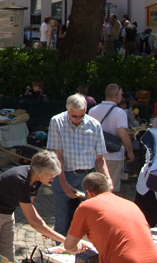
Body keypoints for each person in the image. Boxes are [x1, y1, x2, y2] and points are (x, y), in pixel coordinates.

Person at [0, 150, 67, 260]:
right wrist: (65, 240)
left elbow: (30, 205)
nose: (52, 179)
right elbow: (33, 222)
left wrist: (44, 227)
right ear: (40, 171)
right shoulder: (20, 179)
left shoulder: (36, 180)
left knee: (7, 256)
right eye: (49, 175)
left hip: (7, 213)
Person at [47, 93, 111, 235]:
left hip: (87, 176)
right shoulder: (57, 121)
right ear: (67, 110)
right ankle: (60, 250)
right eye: (74, 116)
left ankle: (85, 252)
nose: (78, 119)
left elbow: (99, 159)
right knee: (62, 219)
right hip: (64, 173)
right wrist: (63, 183)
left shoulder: (94, 125)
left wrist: (107, 180)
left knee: (88, 218)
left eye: (81, 116)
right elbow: (58, 156)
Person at [63, 172, 157, 263]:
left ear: (89, 193)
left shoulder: (87, 206)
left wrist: (79, 247)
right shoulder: (130, 204)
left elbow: (69, 246)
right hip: (155, 258)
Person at [87, 84, 134, 192]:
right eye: (121, 95)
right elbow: (123, 135)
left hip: (95, 155)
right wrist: (130, 152)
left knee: (95, 188)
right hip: (113, 155)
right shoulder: (120, 113)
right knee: (110, 188)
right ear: (116, 95)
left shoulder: (92, 110)